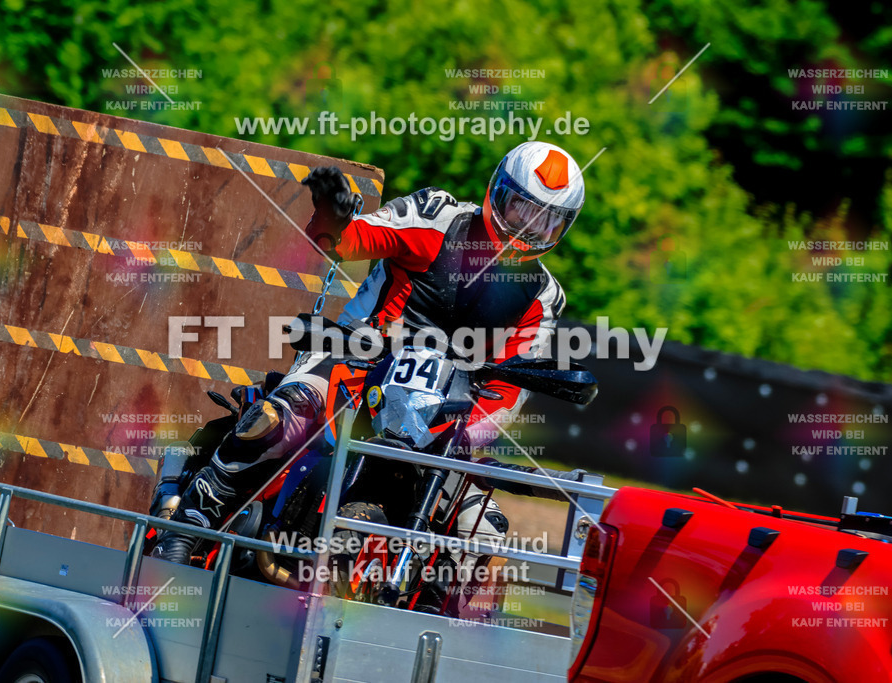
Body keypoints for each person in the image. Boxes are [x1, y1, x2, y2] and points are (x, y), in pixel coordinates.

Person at [152, 141, 587, 573]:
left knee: (482, 530)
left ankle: (429, 618)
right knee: (279, 418)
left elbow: (507, 390)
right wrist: (336, 222)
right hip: (356, 361)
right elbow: (353, 239)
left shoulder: (543, 296)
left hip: (444, 415)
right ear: (496, 192)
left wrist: (466, 438)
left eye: (547, 221)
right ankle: (190, 524)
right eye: (520, 209)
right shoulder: (437, 215)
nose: (528, 229)